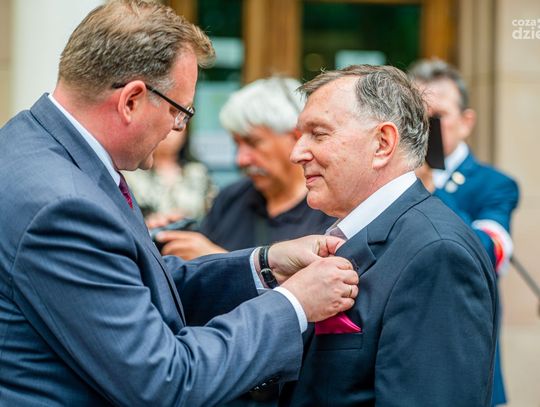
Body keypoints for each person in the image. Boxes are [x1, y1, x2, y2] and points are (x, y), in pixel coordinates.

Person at [0, 2, 360, 406]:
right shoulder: (64, 205)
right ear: (132, 100)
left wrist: (265, 265)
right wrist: (293, 303)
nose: (177, 128)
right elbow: (164, 382)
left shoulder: (32, 145)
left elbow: (131, 283)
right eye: (179, 111)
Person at [279, 65, 498, 406]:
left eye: (318, 134)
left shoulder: (437, 253)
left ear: (383, 143)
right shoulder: (351, 230)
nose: (297, 153)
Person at [408, 58, 520, 406]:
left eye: (436, 116)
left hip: (463, 358)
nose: (425, 128)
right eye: (415, 116)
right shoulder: (389, 180)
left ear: (466, 122)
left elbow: (489, 252)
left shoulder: (494, 184)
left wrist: (430, 189)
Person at [156, 76, 335, 261]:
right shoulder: (230, 200)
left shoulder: (330, 208)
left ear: (295, 137)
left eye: (253, 143)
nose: (241, 159)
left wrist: (218, 261)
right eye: (237, 144)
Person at [123, 128, 215, 220]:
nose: (169, 134)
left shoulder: (198, 173)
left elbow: (214, 214)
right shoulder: (131, 173)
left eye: (176, 128)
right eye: (165, 127)